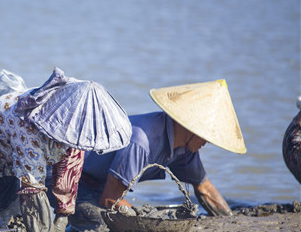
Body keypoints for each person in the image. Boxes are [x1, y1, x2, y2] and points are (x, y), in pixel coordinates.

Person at [0, 67, 132, 232]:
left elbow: (69, 173)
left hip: (6, 171)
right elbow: (32, 191)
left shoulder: (75, 129)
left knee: (11, 230)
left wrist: (62, 216)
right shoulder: (28, 124)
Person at [76, 79, 246, 223]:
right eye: (207, 136)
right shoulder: (141, 142)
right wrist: (151, 219)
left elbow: (204, 188)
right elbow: (110, 199)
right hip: (77, 182)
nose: (207, 142)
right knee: (100, 229)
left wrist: (230, 219)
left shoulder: (185, 148)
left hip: (104, 185)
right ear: (193, 129)